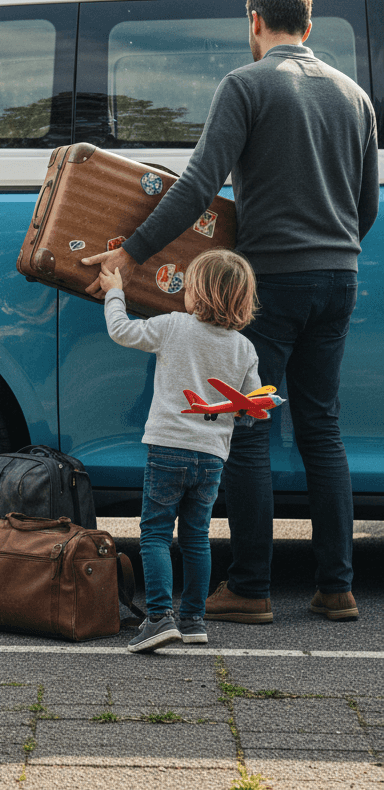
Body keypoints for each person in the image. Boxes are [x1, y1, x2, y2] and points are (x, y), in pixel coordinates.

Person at [83, 0, 379, 624]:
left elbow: (196, 186)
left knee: (245, 425)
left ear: (254, 23)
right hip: (339, 277)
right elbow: (366, 207)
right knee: (321, 428)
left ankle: (249, 588)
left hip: (272, 280)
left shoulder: (246, 86)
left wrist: (130, 253)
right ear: (309, 24)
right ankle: (337, 587)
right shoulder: (355, 97)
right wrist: (332, 253)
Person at [99, 249, 261, 652]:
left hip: (168, 448)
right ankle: (192, 620)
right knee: (197, 537)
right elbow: (251, 410)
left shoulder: (173, 326)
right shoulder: (244, 348)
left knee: (154, 534)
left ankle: (158, 619)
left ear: (196, 295)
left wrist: (114, 292)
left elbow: (121, 331)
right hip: (211, 456)